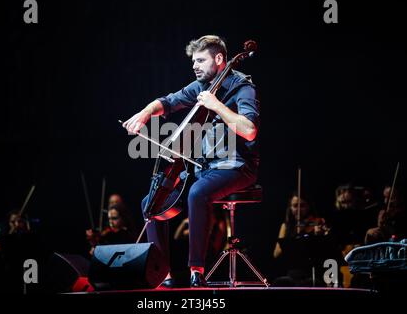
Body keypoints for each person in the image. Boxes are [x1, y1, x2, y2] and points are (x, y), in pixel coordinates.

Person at [122, 35, 260, 287]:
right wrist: (143, 115)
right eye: (193, 61)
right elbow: (167, 102)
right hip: (204, 167)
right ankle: (164, 274)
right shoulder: (201, 85)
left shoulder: (243, 88)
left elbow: (249, 130)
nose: (194, 66)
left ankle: (196, 270)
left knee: (197, 193)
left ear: (219, 59)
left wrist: (216, 105)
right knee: (151, 201)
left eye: (200, 60)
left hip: (236, 166)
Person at [272, 193, 332, 286]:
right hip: (292, 273)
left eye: (302, 205)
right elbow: (276, 253)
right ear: (290, 208)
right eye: (295, 206)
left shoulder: (317, 222)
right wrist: (293, 238)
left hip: (312, 272)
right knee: (280, 282)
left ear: (309, 207)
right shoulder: (286, 226)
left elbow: (325, 251)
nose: (298, 209)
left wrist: (318, 235)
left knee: (314, 283)